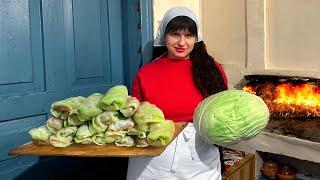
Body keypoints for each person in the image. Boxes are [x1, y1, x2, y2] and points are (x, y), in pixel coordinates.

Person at [127, 7, 228, 180]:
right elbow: (135, 115)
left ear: (196, 38)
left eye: (188, 36)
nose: (182, 42)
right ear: (163, 35)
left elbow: (224, 111)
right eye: (175, 34)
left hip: (200, 160)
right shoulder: (146, 73)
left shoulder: (212, 69)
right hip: (152, 163)